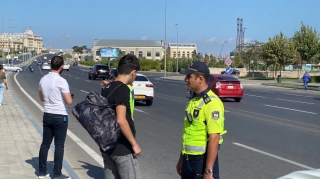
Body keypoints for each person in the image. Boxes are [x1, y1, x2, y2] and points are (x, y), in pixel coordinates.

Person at [176, 61, 226, 179]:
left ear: (200, 79)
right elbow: (188, 134)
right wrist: (182, 159)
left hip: (202, 162)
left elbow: (214, 138)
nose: (185, 79)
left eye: (189, 76)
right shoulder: (193, 101)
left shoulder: (212, 103)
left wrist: (208, 171)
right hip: (188, 161)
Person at [100, 54, 141, 179]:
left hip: (107, 145)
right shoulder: (123, 89)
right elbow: (121, 119)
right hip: (122, 147)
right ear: (133, 73)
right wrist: (134, 144)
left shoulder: (106, 87)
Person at [38, 56, 73, 179]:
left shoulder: (43, 79)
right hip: (60, 115)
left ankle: (42, 172)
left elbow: (41, 98)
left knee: (45, 144)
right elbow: (69, 101)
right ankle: (57, 174)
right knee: (59, 145)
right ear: (62, 67)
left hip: (47, 114)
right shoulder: (61, 81)